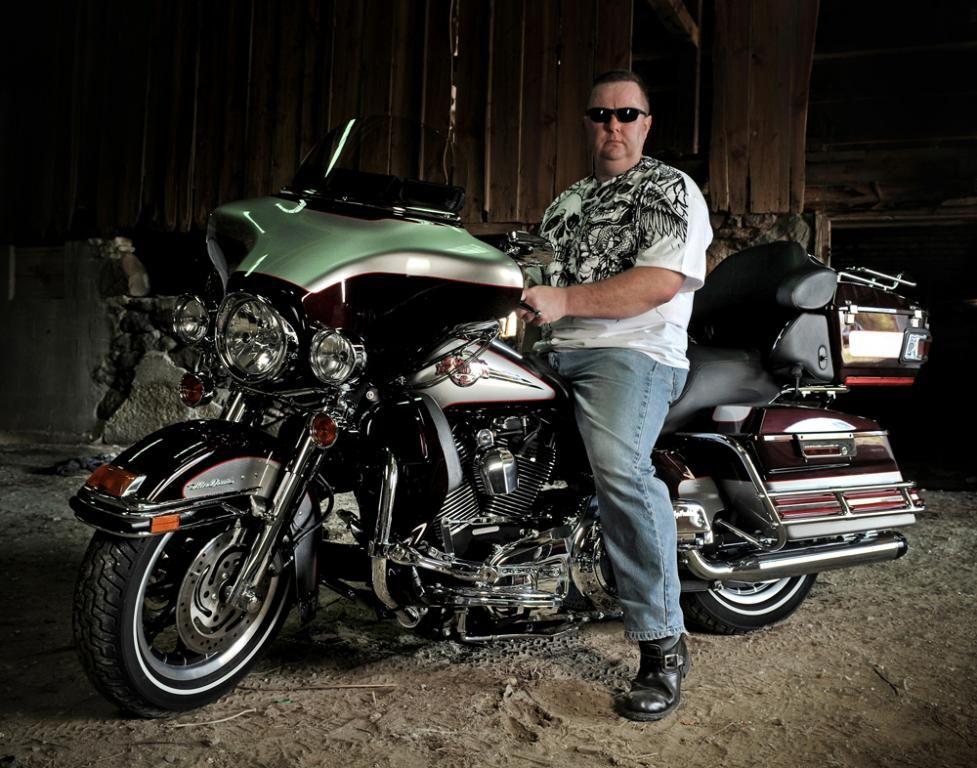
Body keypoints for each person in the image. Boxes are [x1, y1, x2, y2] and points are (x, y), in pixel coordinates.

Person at [517, 70, 711, 722]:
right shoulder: (565, 203)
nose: (613, 125)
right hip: (554, 351)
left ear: (646, 123)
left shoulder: (668, 189)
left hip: (633, 352)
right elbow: (532, 279)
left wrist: (564, 300)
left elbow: (658, 283)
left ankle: (662, 643)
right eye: (600, 114)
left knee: (620, 468)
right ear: (586, 123)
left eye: (627, 114)